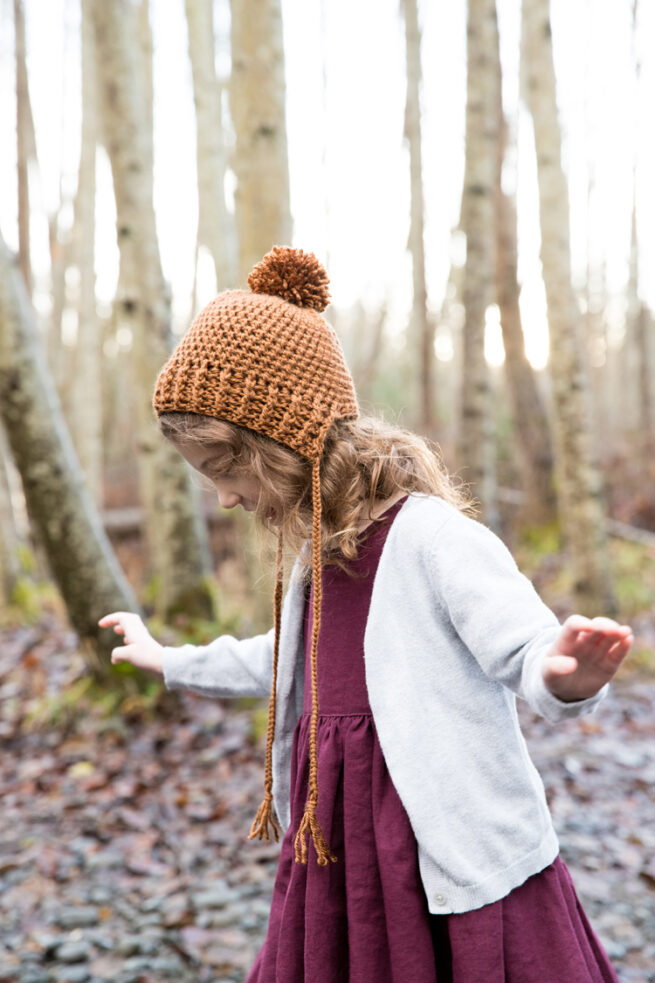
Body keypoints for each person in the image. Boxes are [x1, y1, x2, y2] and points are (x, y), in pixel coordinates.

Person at [99, 246, 632, 982]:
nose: (222, 497)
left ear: (281, 443)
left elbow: (525, 647)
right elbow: (281, 660)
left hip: (440, 853)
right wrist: (170, 659)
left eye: (225, 470)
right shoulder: (317, 559)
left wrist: (564, 673)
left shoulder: (432, 538)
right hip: (342, 858)